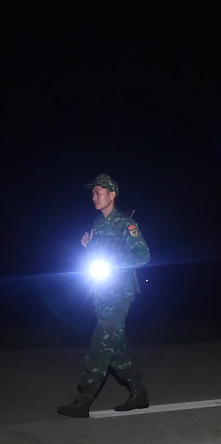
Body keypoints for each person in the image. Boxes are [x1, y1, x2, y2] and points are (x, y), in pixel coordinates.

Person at [58, 174, 151, 418]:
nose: (94, 196)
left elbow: (143, 255)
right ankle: (138, 391)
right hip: (101, 291)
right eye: (93, 193)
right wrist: (89, 247)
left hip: (120, 292)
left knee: (99, 344)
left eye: (99, 192)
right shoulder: (97, 224)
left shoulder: (125, 224)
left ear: (112, 195)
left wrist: (116, 262)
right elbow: (100, 255)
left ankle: (83, 400)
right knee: (115, 346)